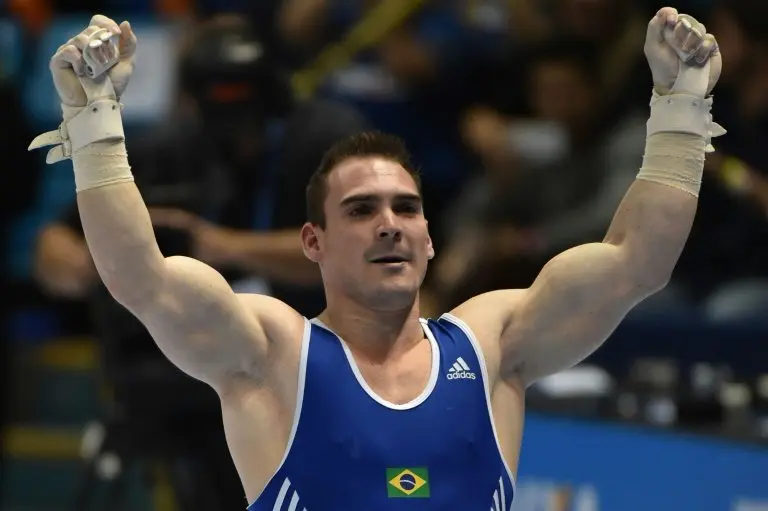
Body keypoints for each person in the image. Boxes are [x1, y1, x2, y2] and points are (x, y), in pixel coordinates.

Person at [29, 8, 722, 509]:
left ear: (429, 236)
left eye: (407, 208)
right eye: (361, 210)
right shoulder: (272, 353)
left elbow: (638, 262)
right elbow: (140, 279)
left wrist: (681, 111)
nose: (390, 225)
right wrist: (94, 121)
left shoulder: (495, 345)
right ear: (314, 243)